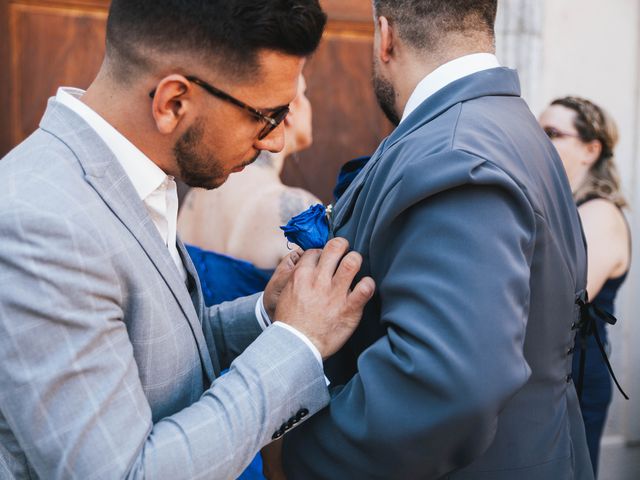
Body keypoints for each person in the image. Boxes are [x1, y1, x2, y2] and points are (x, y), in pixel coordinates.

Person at [0, 1, 376, 479]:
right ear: (173, 102)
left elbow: (155, 356)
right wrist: (296, 342)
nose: (277, 141)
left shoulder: (132, 176)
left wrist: (268, 314)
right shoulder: (41, 224)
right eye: (267, 115)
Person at [264, 1, 595, 479]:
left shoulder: (455, 152)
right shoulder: (510, 124)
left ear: (385, 37)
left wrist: (301, 457)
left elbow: (449, 381)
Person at [539, 96, 631, 476]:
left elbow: (559, 298)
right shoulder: (564, 207)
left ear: (591, 149)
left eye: (552, 133)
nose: (540, 140)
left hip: (575, 378)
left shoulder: (600, 213)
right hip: (553, 374)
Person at [177, 75, 319, 306]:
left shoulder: (196, 197)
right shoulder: (297, 207)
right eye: (305, 94)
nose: (308, 105)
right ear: (287, 113)